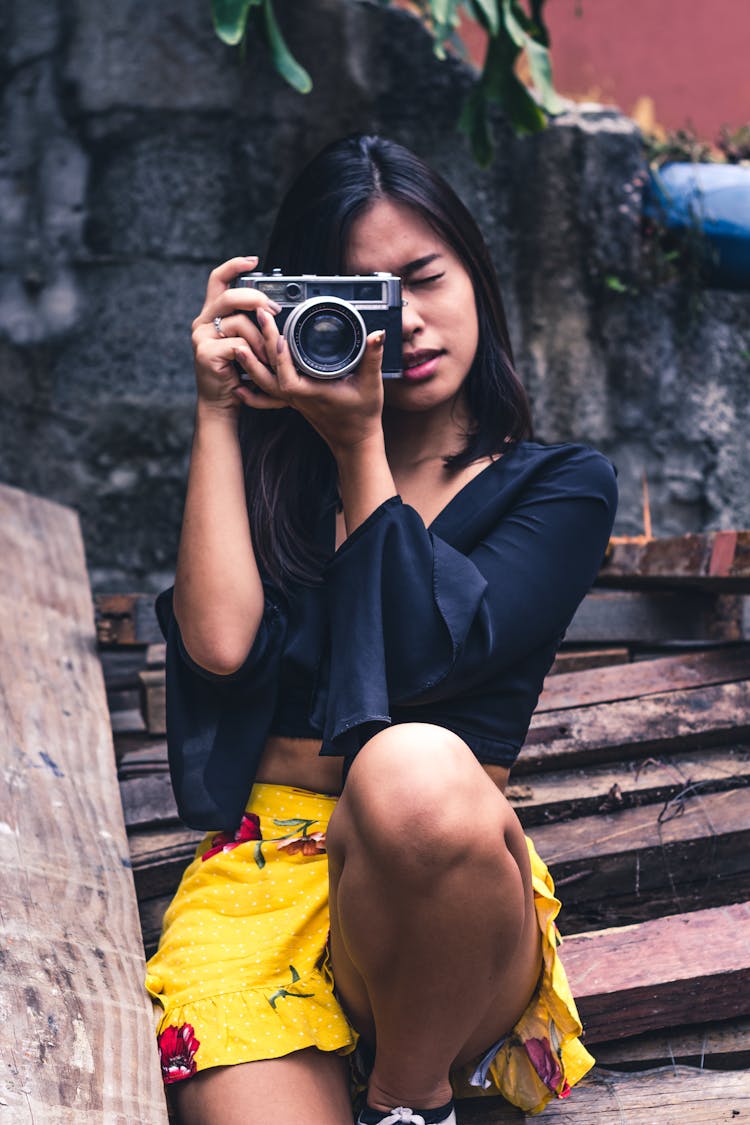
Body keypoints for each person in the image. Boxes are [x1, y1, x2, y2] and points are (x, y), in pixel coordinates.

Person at [145, 134, 618, 1125]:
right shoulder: (283, 471)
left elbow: (418, 663)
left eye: (423, 280)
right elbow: (220, 648)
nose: (403, 323)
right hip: (262, 882)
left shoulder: (559, 486)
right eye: (366, 299)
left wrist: (362, 444)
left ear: (477, 277)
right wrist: (218, 413)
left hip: (446, 915)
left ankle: (410, 1101)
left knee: (407, 768)